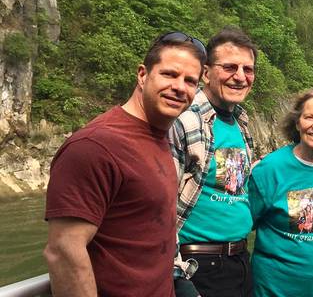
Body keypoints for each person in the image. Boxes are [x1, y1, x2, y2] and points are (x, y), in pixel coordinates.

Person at [44, 31, 206, 296]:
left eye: (190, 81)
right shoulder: (95, 145)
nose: (180, 87)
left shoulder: (160, 137)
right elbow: (63, 251)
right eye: (169, 74)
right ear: (143, 75)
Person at [170, 27, 258, 297]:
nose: (240, 77)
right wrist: (176, 275)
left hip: (239, 260)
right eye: (230, 67)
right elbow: (159, 206)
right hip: (199, 266)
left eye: (248, 69)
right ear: (206, 73)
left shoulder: (240, 123)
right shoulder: (186, 120)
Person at [249, 87, 313, 296]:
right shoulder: (270, 169)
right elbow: (245, 223)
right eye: (309, 117)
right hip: (273, 289)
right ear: (297, 122)